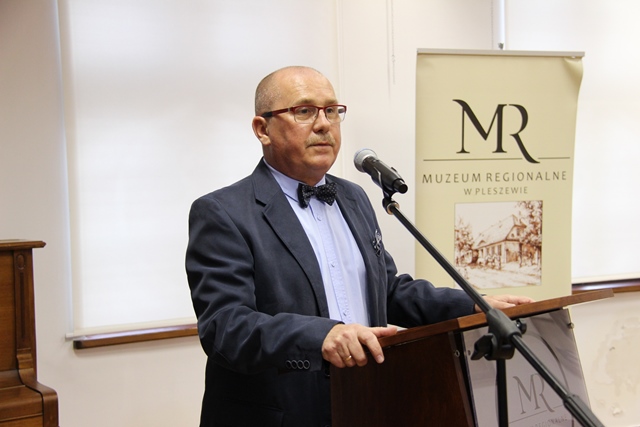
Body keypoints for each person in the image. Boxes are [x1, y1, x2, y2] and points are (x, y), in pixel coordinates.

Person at [185, 66, 533, 427]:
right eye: (304, 111)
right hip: (282, 415)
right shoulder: (223, 212)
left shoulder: (353, 197)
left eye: (332, 111)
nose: (324, 124)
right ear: (263, 129)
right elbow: (226, 326)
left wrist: (474, 306)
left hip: (368, 402)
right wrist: (322, 336)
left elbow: (387, 291)